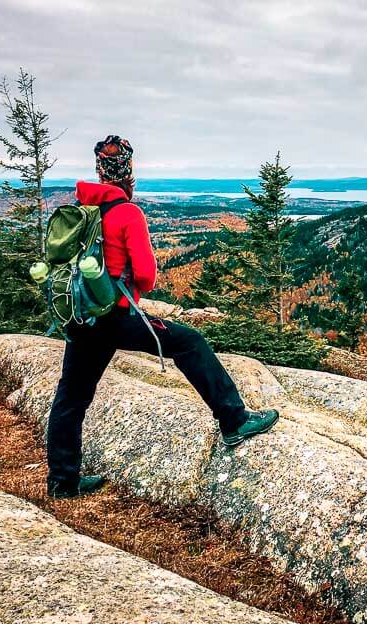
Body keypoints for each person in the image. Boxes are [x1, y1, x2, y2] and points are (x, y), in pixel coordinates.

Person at [45, 135, 280, 499]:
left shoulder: (82, 208)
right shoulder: (127, 213)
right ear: (128, 172)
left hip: (82, 316)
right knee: (189, 341)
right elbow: (147, 276)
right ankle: (234, 420)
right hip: (114, 317)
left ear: (99, 171)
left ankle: (63, 481)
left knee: (71, 397)